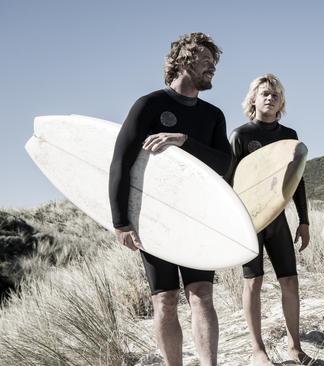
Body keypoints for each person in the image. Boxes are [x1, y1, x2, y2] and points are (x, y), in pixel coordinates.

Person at [108, 32, 231, 366]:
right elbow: (121, 162)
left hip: (196, 218)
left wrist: (183, 140)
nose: (213, 68)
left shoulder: (213, 115)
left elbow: (224, 164)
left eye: (214, 63)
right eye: (207, 60)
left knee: (202, 295)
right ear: (184, 59)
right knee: (165, 299)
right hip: (155, 218)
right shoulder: (149, 105)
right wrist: (121, 221)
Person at [228, 74, 312, 365]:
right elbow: (232, 183)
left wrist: (303, 220)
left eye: (275, 95)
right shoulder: (240, 135)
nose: (270, 98)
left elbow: (297, 181)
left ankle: (294, 347)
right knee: (253, 282)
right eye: (264, 93)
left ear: (282, 102)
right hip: (250, 221)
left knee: (290, 281)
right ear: (253, 99)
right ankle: (257, 349)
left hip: (277, 220)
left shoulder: (289, 135)